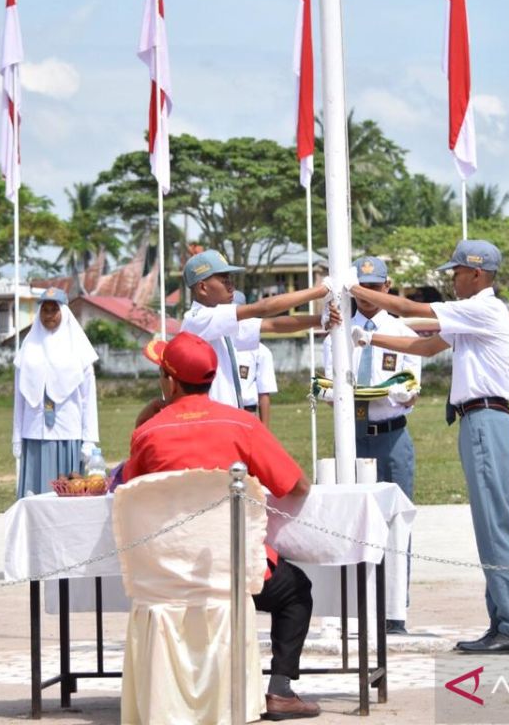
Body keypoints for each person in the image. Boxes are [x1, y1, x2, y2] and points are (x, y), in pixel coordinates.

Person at [124, 332, 321, 720]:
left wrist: (140, 423)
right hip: (231, 573)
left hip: (165, 576)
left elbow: (129, 490)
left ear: (169, 381)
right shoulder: (241, 424)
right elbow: (297, 486)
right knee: (296, 591)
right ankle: (280, 690)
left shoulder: (148, 433)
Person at [347, 239, 509, 654]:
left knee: (494, 525)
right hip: (477, 420)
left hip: (487, 419)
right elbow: (426, 346)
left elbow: (414, 311)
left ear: (477, 274)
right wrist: (370, 340)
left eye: (457, 272)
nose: (453, 279)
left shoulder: (484, 307)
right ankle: (501, 621)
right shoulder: (473, 315)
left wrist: (356, 289)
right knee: (488, 525)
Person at [323, 256, 421, 635]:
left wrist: (401, 393)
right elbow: (330, 380)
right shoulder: (338, 330)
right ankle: (351, 607)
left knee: (396, 521)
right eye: (359, 290)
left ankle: (395, 609)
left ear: (387, 286)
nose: (366, 296)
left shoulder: (400, 329)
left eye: (374, 287)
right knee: (349, 521)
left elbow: (412, 387)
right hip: (352, 436)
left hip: (391, 433)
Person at [179, 249, 335, 410]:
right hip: (211, 419)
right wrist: (321, 291)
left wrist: (321, 320)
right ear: (203, 288)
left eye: (231, 280)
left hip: (228, 415)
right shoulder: (196, 318)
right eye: (224, 280)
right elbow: (262, 308)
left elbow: (272, 325)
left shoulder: (219, 320)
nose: (231, 286)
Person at [11, 288, 100, 496]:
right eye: (45, 310)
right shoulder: (28, 350)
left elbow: (88, 399)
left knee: (67, 493)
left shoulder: (79, 351)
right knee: (36, 496)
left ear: (64, 312)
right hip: (34, 434)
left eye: (54, 309)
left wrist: (89, 440)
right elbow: (19, 399)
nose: (49, 315)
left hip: (68, 434)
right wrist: (16, 437)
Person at [232, 291, 279, 426]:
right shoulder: (214, 345)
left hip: (247, 414)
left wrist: (264, 431)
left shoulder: (261, 351)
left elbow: (264, 393)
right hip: (221, 413)